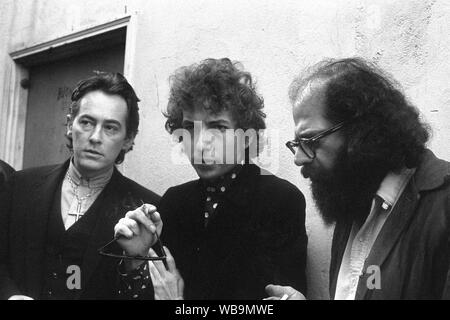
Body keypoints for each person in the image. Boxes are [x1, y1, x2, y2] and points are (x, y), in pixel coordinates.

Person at [266, 57, 450, 300]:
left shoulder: (442, 205)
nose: (298, 159)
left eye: (310, 141)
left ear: (363, 132)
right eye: (297, 144)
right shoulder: (350, 200)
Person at [148, 58, 307, 300]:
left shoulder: (280, 200)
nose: (200, 145)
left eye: (218, 127)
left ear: (246, 136)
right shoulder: (173, 202)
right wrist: (136, 256)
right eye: (190, 127)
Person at [0, 72, 161, 300]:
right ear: (69, 124)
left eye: (111, 128)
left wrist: (136, 260)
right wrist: (10, 296)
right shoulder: (20, 185)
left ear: (128, 139)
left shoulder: (144, 208)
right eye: (87, 122)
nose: (95, 137)